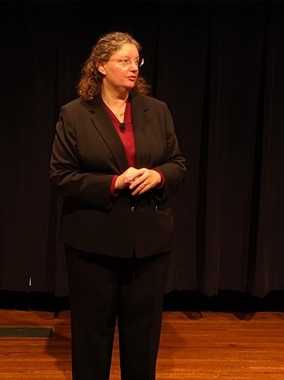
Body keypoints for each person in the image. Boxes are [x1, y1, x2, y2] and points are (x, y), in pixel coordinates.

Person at [49, 31, 187, 380]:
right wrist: (114, 183)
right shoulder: (75, 114)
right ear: (100, 66)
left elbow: (177, 163)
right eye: (123, 61)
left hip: (149, 242)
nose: (132, 68)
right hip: (93, 244)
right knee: (92, 336)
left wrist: (158, 176)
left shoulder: (156, 111)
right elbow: (62, 176)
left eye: (136, 61)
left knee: (142, 339)